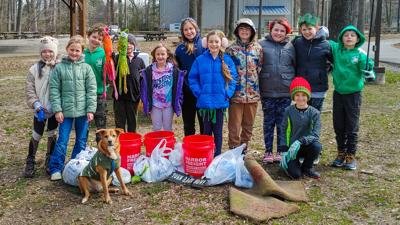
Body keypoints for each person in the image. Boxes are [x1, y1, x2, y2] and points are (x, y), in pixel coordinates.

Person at [48, 35, 97, 181]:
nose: (74, 53)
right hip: (65, 113)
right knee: (62, 139)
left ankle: (75, 165)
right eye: (72, 50)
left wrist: (90, 110)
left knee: (81, 140)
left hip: (83, 112)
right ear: (67, 49)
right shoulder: (59, 68)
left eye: (77, 50)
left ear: (82, 51)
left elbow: (91, 90)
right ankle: (56, 168)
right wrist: (57, 110)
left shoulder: (87, 68)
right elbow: (54, 90)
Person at [329, 25, 375, 170]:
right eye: (346, 35)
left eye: (352, 35)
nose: (349, 37)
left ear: (357, 39)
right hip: (338, 94)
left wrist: (369, 71)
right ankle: (340, 153)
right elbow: (326, 41)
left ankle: (350, 156)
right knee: (338, 125)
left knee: (351, 126)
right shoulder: (337, 50)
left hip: (353, 95)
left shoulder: (360, 54)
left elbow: (368, 68)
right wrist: (320, 30)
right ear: (342, 38)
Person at [189, 30, 238, 156]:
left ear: (222, 43)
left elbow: (233, 79)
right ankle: (206, 155)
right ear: (206, 43)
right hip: (205, 103)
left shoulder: (227, 60)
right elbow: (192, 78)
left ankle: (217, 156)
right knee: (206, 132)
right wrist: (199, 93)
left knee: (218, 132)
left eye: (216, 41)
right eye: (211, 41)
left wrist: (227, 94)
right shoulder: (200, 60)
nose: (214, 44)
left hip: (219, 103)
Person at [259, 18, 296, 163]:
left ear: (286, 32)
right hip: (267, 91)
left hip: (285, 91)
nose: (278, 33)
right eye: (276, 30)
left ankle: (281, 150)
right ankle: (268, 151)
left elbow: (296, 66)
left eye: (282, 31)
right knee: (268, 122)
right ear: (271, 30)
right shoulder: (261, 45)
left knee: (283, 123)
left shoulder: (291, 47)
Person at [226, 18, 263, 151]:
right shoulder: (231, 50)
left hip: (252, 95)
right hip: (236, 95)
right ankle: (233, 148)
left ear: (252, 31)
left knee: (248, 125)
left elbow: (260, 68)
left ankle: (243, 148)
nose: (244, 31)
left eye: (247, 29)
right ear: (237, 31)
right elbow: (226, 71)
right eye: (241, 29)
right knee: (234, 125)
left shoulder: (258, 49)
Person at [24, 36, 59, 177]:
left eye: (50, 51)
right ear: (40, 53)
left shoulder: (59, 68)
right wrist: (36, 104)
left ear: (55, 52)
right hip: (40, 110)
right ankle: (30, 160)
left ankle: (49, 158)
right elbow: (30, 89)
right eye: (44, 51)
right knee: (36, 135)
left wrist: (56, 106)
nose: (47, 54)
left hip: (54, 110)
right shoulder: (33, 70)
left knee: (52, 134)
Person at [279, 77, 322, 179]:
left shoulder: (315, 113)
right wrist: (284, 148)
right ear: (293, 97)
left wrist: (301, 141)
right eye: (297, 95)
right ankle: (293, 165)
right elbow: (283, 130)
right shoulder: (288, 111)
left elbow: (315, 134)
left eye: (303, 95)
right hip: (292, 149)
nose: (300, 98)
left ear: (308, 96)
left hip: (306, 145)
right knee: (296, 175)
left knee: (317, 146)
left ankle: (307, 167)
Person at [292, 13, 332, 111]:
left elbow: (334, 61)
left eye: (310, 29)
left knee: (314, 115)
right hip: (301, 86)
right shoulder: (297, 42)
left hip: (318, 87)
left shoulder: (326, 44)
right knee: (301, 115)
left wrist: (326, 70)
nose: (307, 32)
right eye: (304, 29)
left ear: (317, 28)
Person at [140, 43, 184, 131]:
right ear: (154, 55)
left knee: (168, 128)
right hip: (155, 104)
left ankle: (167, 144)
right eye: (158, 54)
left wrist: (178, 101)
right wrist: (145, 101)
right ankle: (158, 144)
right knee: (156, 128)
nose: (160, 56)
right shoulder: (149, 70)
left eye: (163, 54)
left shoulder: (173, 70)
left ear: (167, 55)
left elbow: (178, 88)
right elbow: (144, 88)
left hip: (169, 104)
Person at [175, 17, 206, 136]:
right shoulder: (180, 49)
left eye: (191, 28)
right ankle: (190, 148)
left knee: (204, 123)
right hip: (187, 91)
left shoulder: (205, 44)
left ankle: (205, 148)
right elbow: (178, 69)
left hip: (203, 91)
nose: (189, 32)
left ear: (196, 29)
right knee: (188, 124)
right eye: (185, 29)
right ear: (182, 32)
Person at [113, 34, 145, 132]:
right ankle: (121, 142)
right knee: (120, 122)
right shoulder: (117, 59)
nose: (128, 45)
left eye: (131, 43)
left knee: (132, 121)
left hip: (133, 96)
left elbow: (143, 79)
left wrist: (141, 95)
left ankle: (132, 141)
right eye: (126, 43)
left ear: (134, 45)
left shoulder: (139, 61)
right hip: (119, 97)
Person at [83, 23, 106, 143]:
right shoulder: (81, 53)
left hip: (99, 93)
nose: (96, 40)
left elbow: (107, 74)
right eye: (94, 37)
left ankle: (102, 150)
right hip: (83, 94)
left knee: (100, 125)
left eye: (100, 39)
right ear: (88, 36)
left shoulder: (103, 54)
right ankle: (83, 150)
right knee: (84, 125)